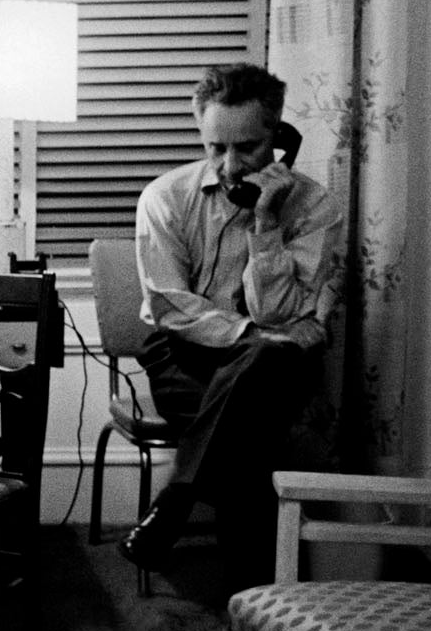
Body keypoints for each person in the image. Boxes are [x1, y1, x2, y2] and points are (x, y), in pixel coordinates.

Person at [119, 63, 341, 573]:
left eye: (248, 148)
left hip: (273, 362)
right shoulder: (164, 198)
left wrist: (265, 223)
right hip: (183, 353)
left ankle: (174, 504)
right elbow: (171, 304)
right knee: (257, 424)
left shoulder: (314, 207)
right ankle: (260, 597)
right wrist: (257, 335)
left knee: (264, 375)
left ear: (279, 137)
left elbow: (280, 309)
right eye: (216, 148)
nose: (230, 165)